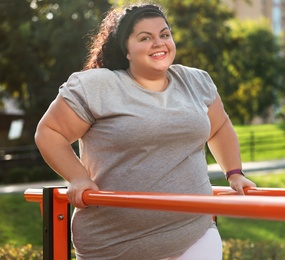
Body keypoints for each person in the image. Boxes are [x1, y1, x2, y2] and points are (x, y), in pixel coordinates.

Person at [35, 3, 256, 260]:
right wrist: (78, 177)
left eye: (164, 34)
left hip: (195, 235)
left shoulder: (196, 81)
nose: (159, 43)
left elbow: (219, 128)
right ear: (126, 49)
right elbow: (50, 132)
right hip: (114, 245)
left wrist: (234, 174)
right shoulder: (97, 86)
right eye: (145, 38)